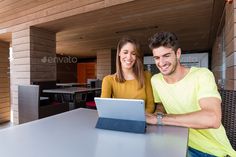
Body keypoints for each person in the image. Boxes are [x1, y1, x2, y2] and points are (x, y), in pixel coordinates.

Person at [146, 32, 236, 157]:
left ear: (178, 54)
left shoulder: (202, 75)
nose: (161, 62)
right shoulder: (155, 80)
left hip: (211, 151)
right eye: (157, 57)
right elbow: (161, 104)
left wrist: (159, 119)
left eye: (166, 55)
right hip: (178, 143)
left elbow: (213, 118)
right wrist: (156, 114)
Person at [101, 36, 155, 113]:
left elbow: (150, 106)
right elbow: (104, 109)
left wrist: (141, 118)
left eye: (133, 53)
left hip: (142, 121)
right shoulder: (108, 80)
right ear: (119, 53)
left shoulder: (146, 76)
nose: (129, 57)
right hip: (118, 121)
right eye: (125, 52)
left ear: (137, 56)